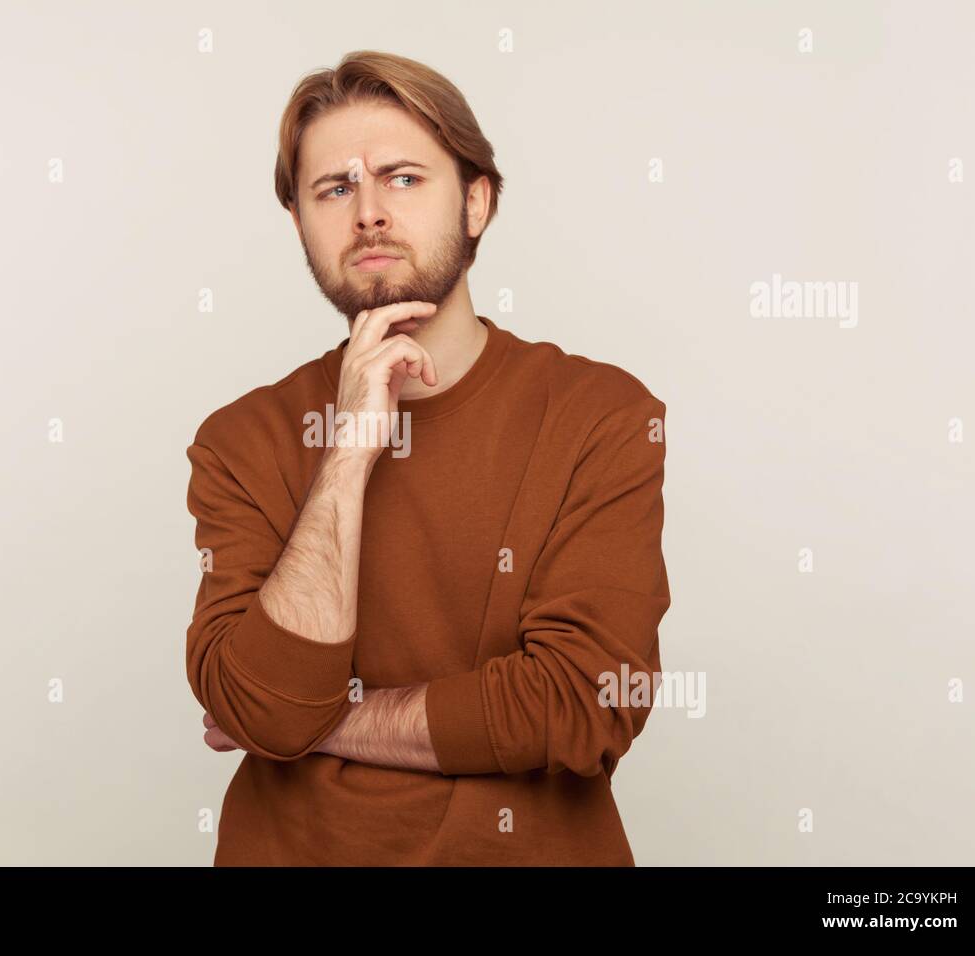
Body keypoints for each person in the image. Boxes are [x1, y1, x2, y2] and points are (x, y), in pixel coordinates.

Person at [185, 50, 670, 865]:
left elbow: (581, 705)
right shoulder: (241, 440)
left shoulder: (602, 415)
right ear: (301, 223)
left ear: (476, 202)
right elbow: (258, 703)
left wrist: (316, 720)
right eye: (334, 189)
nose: (369, 212)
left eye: (403, 179)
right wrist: (348, 451)